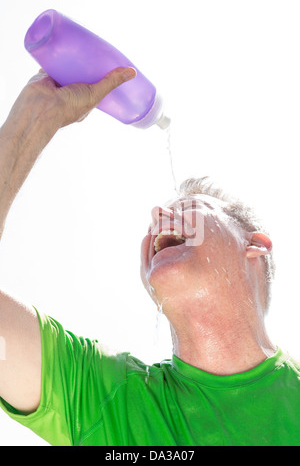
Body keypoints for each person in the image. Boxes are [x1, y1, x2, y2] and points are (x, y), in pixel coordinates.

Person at [0, 68, 300, 447]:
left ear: (254, 245)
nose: (158, 219)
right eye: (155, 218)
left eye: (189, 207)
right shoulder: (106, 400)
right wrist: (29, 122)